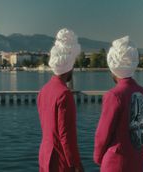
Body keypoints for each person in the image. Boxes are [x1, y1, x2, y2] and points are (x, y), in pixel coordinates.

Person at [93, 36, 143, 172]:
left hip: (115, 163)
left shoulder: (114, 95)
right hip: (137, 162)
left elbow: (102, 134)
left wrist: (97, 157)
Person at [37, 28, 83, 172]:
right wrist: (76, 164)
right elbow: (66, 135)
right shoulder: (64, 94)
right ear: (70, 66)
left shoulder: (43, 91)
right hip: (60, 161)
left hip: (44, 156)